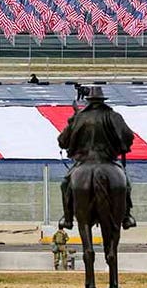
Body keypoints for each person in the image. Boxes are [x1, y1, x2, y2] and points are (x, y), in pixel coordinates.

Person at [58, 86, 137, 230]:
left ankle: (67, 218)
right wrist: (122, 146)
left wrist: (73, 120)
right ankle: (126, 216)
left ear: (89, 101)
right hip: (108, 160)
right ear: (102, 101)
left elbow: (63, 141)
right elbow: (128, 136)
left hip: (84, 161)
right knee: (126, 184)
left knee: (65, 185)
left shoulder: (80, 117)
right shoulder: (113, 116)